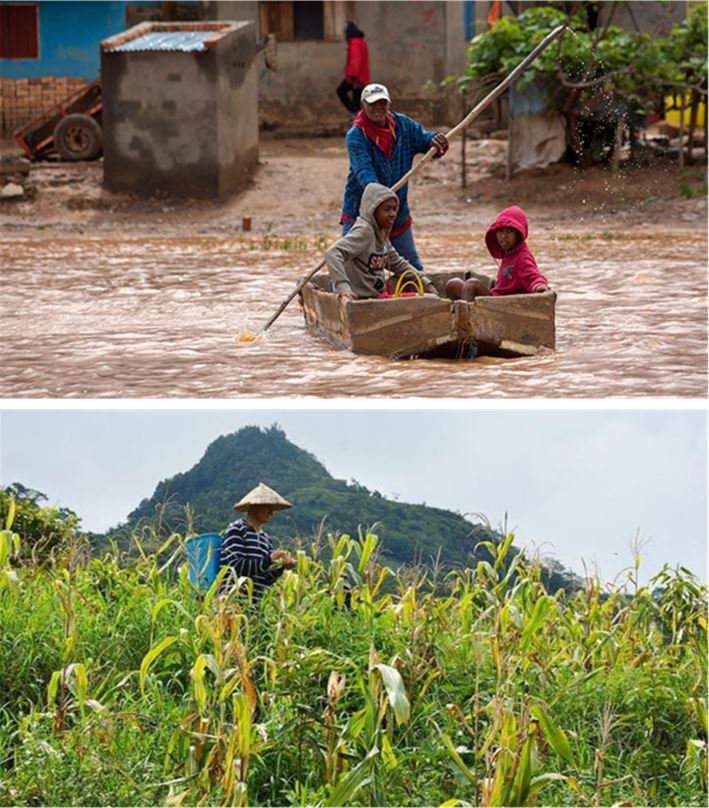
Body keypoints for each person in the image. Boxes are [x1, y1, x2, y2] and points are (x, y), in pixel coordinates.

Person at [341, 82, 449, 273]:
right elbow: (364, 173)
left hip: (395, 214)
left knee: (412, 270)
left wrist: (436, 141)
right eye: (373, 104)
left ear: (388, 105)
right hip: (361, 215)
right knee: (350, 269)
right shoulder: (356, 136)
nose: (378, 108)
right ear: (363, 106)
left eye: (383, 103)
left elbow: (426, 141)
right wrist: (380, 196)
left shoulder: (403, 126)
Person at [326, 182, 438, 299]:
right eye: (387, 209)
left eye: (394, 209)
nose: (392, 214)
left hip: (376, 295)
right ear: (372, 211)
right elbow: (333, 253)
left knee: (404, 281)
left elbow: (397, 263)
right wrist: (343, 287)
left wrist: (425, 282)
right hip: (359, 298)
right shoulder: (364, 231)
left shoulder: (381, 233)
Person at [446, 205, 550, 301]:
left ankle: (467, 318)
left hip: (502, 304)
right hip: (494, 297)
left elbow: (534, 277)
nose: (503, 236)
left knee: (472, 284)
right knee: (453, 284)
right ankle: (459, 312)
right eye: (500, 231)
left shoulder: (522, 257)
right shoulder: (508, 253)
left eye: (509, 231)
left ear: (519, 234)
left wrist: (539, 286)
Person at [220, 482, 296, 601]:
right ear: (254, 506)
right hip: (232, 600)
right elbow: (235, 566)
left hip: (254, 604)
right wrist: (269, 559)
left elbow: (265, 579)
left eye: (273, 509)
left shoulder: (265, 539)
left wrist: (281, 567)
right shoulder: (237, 529)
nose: (271, 513)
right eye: (267, 508)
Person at [336, 21, 369, 114]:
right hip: (362, 78)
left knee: (341, 91)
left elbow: (355, 60)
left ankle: (357, 116)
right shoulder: (361, 42)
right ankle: (359, 118)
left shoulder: (354, 43)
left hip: (356, 79)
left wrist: (352, 76)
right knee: (357, 101)